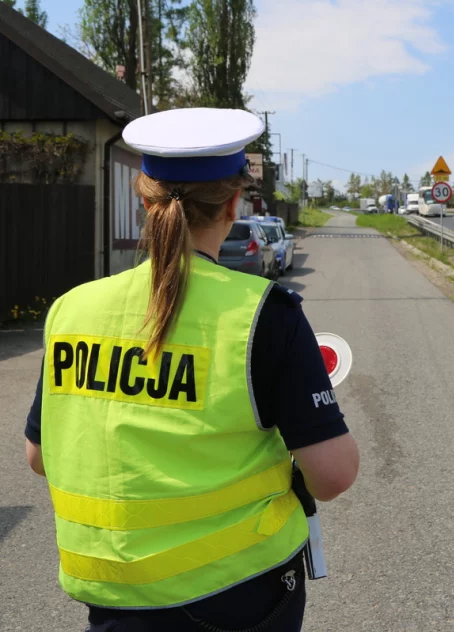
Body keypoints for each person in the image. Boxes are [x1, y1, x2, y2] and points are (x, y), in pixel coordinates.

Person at [24, 107, 359, 631]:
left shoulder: (72, 309)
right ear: (233, 204)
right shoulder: (263, 313)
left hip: (112, 599)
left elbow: (39, 456)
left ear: (143, 200)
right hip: (238, 596)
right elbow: (333, 475)